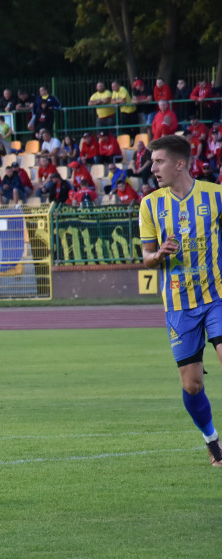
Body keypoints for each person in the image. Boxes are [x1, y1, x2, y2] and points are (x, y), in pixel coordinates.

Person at [139, 134, 222, 467]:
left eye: (159, 161)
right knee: (192, 385)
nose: (153, 168)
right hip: (178, 304)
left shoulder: (216, 196)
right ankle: (212, 441)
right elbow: (145, 256)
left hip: (217, 296)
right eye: (152, 162)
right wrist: (158, 254)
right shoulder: (150, 204)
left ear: (180, 163)